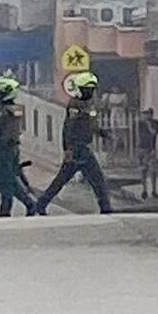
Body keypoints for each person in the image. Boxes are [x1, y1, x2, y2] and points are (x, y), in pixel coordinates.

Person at [35, 72, 113, 215]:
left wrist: (103, 133)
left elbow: (92, 124)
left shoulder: (90, 104)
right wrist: (68, 149)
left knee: (94, 180)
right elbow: (68, 128)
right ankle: (40, 204)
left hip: (85, 147)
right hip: (77, 148)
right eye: (88, 89)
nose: (91, 91)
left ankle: (41, 204)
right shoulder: (75, 104)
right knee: (90, 180)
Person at [0, 76, 36, 217]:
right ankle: (23, 204)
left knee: (6, 179)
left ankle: (13, 206)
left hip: (4, 148)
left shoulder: (3, 112)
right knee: (10, 177)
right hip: (12, 148)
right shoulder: (16, 109)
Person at [137, 108, 158, 199]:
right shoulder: (140, 124)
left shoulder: (155, 123)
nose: (145, 116)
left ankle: (154, 190)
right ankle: (144, 190)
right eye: (144, 114)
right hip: (142, 148)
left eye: (147, 114)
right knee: (143, 170)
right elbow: (141, 135)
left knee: (153, 170)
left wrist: (148, 125)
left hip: (151, 149)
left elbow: (153, 133)